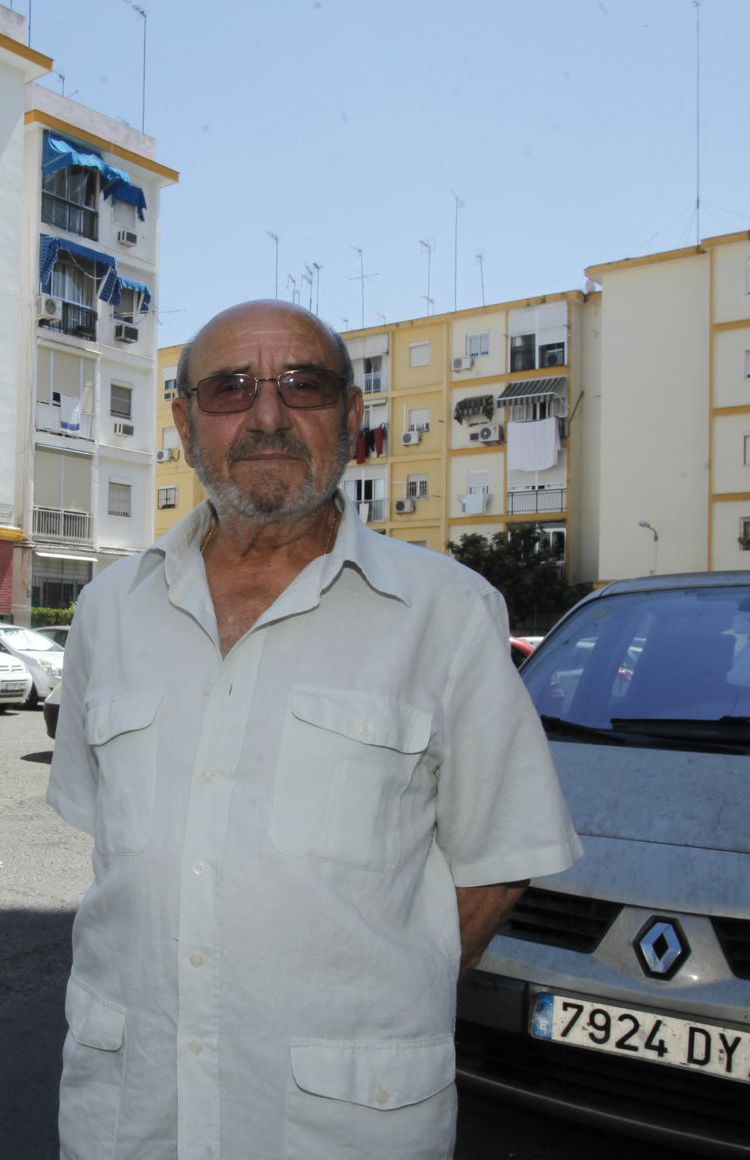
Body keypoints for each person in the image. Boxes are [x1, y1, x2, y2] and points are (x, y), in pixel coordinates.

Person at [48, 299, 582, 1158]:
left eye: (303, 384)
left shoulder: (444, 614)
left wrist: (377, 1002)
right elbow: (118, 849)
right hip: (130, 1116)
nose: (267, 414)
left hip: (345, 1128)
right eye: (229, 389)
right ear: (184, 425)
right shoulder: (110, 611)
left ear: (353, 419)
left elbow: (498, 862)